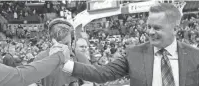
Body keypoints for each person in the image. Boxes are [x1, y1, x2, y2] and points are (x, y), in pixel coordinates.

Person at [59, 3, 199, 86]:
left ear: (175, 29)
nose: (150, 32)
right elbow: (101, 73)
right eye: (149, 26)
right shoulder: (134, 54)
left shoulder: (194, 56)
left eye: (157, 28)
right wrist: (64, 63)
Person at [33, 18, 90, 86]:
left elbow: (89, 82)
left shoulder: (79, 57)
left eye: (66, 44)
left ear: (72, 40)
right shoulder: (41, 57)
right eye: (59, 44)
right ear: (51, 41)